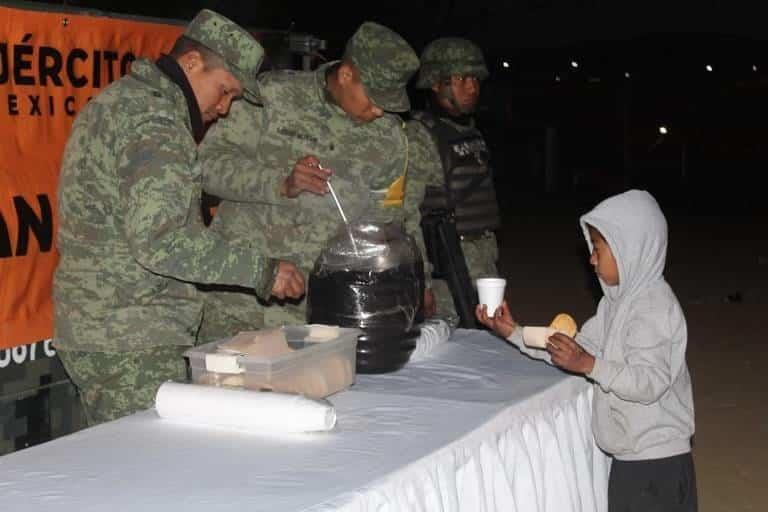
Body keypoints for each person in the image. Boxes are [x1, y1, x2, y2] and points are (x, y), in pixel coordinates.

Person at [53, 9, 305, 426]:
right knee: (147, 476)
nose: (224, 108)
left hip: (106, 327)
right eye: (224, 90)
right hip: (132, 337)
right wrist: (264, 270)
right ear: (191, 63)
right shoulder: (156, 122)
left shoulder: (123, 101)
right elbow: (161, 241)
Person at [196, 22, 424, 340]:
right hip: (242, 298)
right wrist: (280, 182)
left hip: (323, 310)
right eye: (374, 98)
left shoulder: (389, 138)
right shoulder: (273, 97)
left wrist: (412, 281)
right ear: (346, 74)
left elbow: (395, 222)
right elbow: (205, 165)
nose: (378, 110)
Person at [477, 190, 697, 512]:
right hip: (633, 460)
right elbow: (575, 349)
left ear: (630, 249)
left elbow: (649, 381)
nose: (591, 258)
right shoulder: (614, 305)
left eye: (598, 248)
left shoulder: (652, 307)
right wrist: (513, 332)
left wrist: (591, 365)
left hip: (656, 465)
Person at [409, 37, 501, 323]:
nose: (472, 87)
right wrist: (422, 282)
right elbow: (407, 216)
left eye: (475, 78)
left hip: (484, 260)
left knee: (487, 343)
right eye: (460, 79)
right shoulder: (420, 136)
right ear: (436, 83)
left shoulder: (470, 133)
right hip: (448, 268)